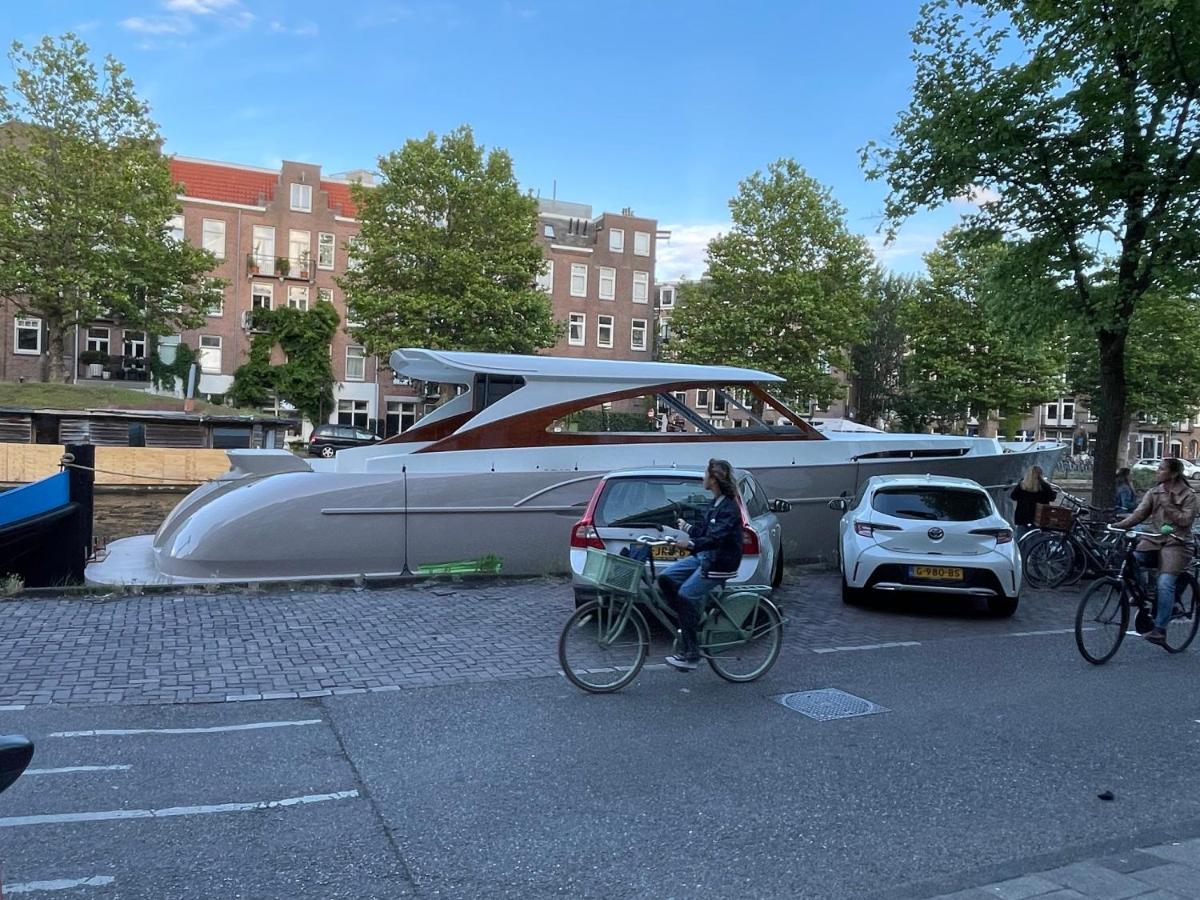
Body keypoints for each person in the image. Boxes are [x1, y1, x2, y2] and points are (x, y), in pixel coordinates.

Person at [658, 458, 743, 671]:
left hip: (719, 562)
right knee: (666, 578)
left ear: (714, 479)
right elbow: (705, 532)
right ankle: (688, 619)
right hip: (705, 557)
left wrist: (692, 543)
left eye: (706, 474)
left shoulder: (729, 507)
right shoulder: (714, 503)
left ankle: (691, 654)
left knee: (686, 594)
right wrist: (686, 528)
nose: (703, 478)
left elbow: (716, 538)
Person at [1114, 457, 1197, 646]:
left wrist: (1168, 504)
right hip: (1155, 540)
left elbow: (1185, 521)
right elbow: (1139, 514)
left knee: (1165, 582)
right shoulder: (1154, 492)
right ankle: (1141, 593)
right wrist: (1118, 525)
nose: (1157, 472)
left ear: (1173, 474)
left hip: (1178, 543)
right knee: (1131, 559)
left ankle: (1160, 629)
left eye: (1161, 469)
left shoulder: (1188, 495)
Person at [1010, 465, 1057, 541]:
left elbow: (1013, 496)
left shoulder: (1022, 485)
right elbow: (1052, 498)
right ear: (1041, 474)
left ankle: (1022, 551)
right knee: (1040, 539)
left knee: (1021, 539)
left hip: (1023, 516)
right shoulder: (1045, 486)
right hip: (1039, 517)